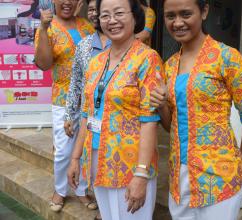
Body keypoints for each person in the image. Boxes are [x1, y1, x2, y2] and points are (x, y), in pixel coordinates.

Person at [150, 0, 242, 219]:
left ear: (204, 11)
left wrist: (241, 168)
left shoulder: (227, 58)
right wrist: (162, 104)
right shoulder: (170, 65)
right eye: (170, 16)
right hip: (179, 177)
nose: (178, 23)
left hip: (219, 178)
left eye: (185, 14)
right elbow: (170, 125)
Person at [67, 0, 164, 219]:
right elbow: (86, 113)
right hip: (97, 159)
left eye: (119, 13)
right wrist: (75, 158)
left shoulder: (147, 59)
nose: (112, 21)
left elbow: (149, 120)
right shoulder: (96, 62)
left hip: (130, 164)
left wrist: (141, 173)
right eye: (105, 15)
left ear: (135, 16)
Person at [34, 0, 94, 212]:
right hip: (62, 98)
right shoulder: (47, 27)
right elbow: (43, 64)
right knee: (62, 150)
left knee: (85, 147)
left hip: (89, 99)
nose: (67, 1)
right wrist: (42, 28)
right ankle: (60, 190)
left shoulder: (87, 25)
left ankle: (80, 189)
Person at [64, 0, 111, 137]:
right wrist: (69, 115)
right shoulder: (84, 45)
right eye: (91, 10)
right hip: (90, 117)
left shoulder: (121, 44)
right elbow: (76, 83)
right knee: (89, 153)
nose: (94, 14)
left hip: (116, 117)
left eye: (98, 9)